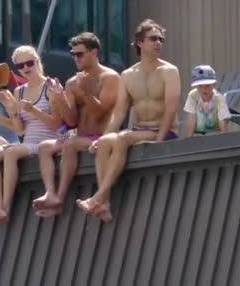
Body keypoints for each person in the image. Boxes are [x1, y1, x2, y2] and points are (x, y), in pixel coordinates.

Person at [76, 19, 181, 222]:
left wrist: (159, 139)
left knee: (123, 138)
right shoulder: (128, 75)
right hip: (139, 130)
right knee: (106, 142)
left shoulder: (169, 71)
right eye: (153, 39)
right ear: (140, 42)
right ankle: (104, 203)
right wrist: (103, 137)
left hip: (164, 131)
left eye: (161, 39)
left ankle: (98, 197)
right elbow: (119, 112)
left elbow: (171, 108)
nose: (158, 42)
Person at [32, 32, 119, 217]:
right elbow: (71, 121)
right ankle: (50, 193)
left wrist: (84, 92)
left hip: (101, 138)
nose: (75, 58)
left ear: (94, 53)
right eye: (73, 54)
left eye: (79, 54)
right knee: (44, 147)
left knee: (71, 144)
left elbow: (102, 112)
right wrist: (60, 97)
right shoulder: (72, 82)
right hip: (80, 137)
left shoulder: (110, 78)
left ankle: (59, 199)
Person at [0, 45, 62, 225]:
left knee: (11, 152)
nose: (26, 68)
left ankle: (5, 208)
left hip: (48, 140)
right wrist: (12, 112)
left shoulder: (50, 86)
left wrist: (33, 109)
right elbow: (20, 130)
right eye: (20, 66)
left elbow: (57, 123)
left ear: (37, 62)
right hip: (28, 141)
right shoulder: (19, 91)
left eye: (29, 63)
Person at [183, 65, 231, 136]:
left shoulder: (219, 99)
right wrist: (189, 139)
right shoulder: (193, 96)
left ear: (214, 85)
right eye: (200, 86)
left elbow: (223, 121)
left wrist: (224, 139)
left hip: (215, 135)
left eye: (207, 86)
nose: (204, 89)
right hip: (197, 135)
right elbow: (191, 118)